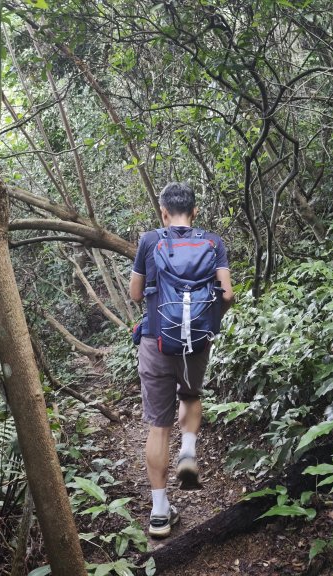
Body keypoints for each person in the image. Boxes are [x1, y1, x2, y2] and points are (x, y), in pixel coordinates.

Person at [129, 182, 234, 538]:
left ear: (163, 211)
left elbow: (135, 293)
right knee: (191, 395)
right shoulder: (213, 242)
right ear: (195, 211)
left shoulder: (149, 241)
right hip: (197, 343)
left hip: (155, 341)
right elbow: (228, 294)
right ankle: (188, 450)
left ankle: (159, 513)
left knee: (158, 426)